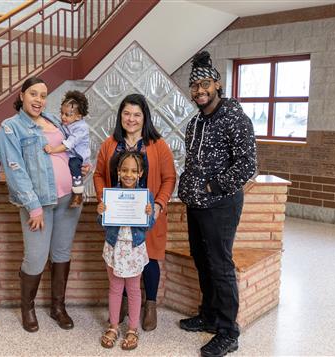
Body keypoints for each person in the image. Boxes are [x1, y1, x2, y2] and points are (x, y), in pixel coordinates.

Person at [177, 51, 257, 357]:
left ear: (217, 84)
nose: (200, 91)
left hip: (221, 204)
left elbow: (247, 165)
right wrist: (191, 188)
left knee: (221, 265)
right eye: (195, 86)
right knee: (202, 259)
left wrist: (213, 186)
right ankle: (209, 315)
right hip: (196, 205)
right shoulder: (195, 122)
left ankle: (228, 330)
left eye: (205, 84)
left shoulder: (235, 118)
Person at [0, 77, 85, 332]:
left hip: (70, 199)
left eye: (43, 95)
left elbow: (68, 149)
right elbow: (15, 169)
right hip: (39, 204)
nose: (39, 100)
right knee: (36, 257)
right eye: (33, 94)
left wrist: (80, 164)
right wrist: (33, 206)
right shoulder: (11, 127)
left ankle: (58, 307)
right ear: (22, 95)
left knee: (61, 253)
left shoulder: (54, 120)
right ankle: (28, 308)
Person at [93, 93, 176, 331]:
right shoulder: (110, 144)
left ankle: (149, 305)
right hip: (118, 220)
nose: (131, 119)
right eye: (127, 113)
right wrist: (104, 199)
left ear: (145, 117)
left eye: (137, 114)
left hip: (148, 215)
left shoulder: (157, 145)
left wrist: (159, 205)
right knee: (120, 258)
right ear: (120, 116)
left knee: (148, 257)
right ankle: (124, 304)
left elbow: (170, 178)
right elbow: (98, 174)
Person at [98, 151, 155, 350]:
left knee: (133, 290)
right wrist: (101, 212)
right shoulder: (110, 195)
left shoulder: (145, 196)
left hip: (134, 248)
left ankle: (132, 328)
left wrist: (148, 214)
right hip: (114, 246)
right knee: (114, 288)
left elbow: (149, 225)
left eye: (133, 171)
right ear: (118, 171)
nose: (128, 174)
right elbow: (103, 223)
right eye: (124, 170)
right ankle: (113, 326)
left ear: (140, 173)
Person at [43, 90, 90, 208]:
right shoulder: (66, 124)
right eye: (62, 113)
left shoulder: (81, 128)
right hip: (70, 154)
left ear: (78, 116)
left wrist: (53, 150)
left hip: (78, 155)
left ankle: (78, 194)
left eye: (67, 115)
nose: (63, 117)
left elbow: (69, 144)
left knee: (74, 167)